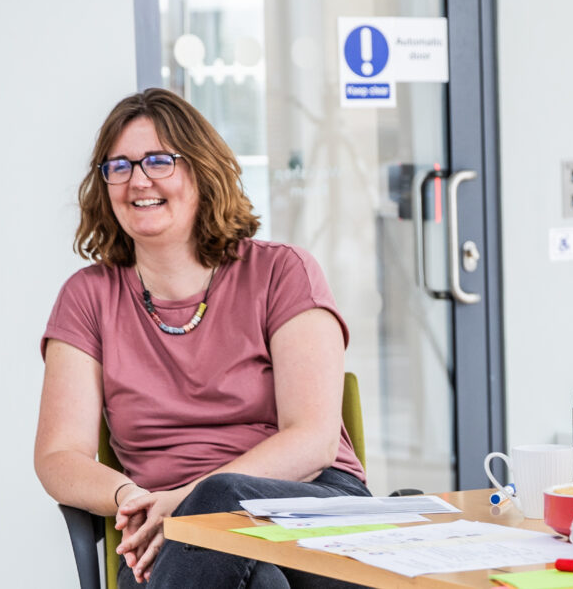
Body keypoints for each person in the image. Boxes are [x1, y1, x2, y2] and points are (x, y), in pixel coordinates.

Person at [34, 88, 366, 588]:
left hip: (311, 509)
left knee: (220, 501)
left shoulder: (282, 272)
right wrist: (130, 498)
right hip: (165, 533)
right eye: (118, 166)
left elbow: (313, 440)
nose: (137, 180)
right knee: (256, 579)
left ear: (201, 170)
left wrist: (190, 500)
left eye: (158, 161)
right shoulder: (88, 298)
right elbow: (60, 456)